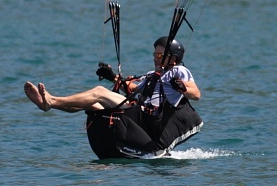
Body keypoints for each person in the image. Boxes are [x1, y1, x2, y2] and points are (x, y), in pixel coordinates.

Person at [24, 37, 203, 157]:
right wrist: (113, 77)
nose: (156, 58)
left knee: (99, 92)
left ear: (173, 58)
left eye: (160, 55)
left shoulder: (179, 71)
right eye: (154, 54)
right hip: (139, 114)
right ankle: (50, 105)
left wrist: (182, 88)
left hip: (150, 120)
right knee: (93, 105)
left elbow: (196, 93)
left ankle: (52, 101)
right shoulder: (152, 75)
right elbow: (133, 90)